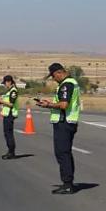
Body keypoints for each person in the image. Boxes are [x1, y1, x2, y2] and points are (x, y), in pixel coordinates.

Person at [37, 63, 81, 194]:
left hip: (64, 122)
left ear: (58, 73)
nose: (53, 79)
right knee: (65, 153)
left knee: (62, 153)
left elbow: (63, 105)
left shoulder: (66, 85)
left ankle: (68, 184)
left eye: (53, 76)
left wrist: (48, 105)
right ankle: (67, 182)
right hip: (67, 122)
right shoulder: (71, 83)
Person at [0, 75, 19, 159]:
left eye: (5, 83)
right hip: (7, 114)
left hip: (10, 114)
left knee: (9, 134)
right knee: (6, 133)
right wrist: (0, 102)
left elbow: (11, 104)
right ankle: (10, 151)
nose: (5, 85)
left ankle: (11, 152)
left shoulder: (13, 91)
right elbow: (6, 102)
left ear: (9, 82)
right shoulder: (9, 92)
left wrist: (1, 101)